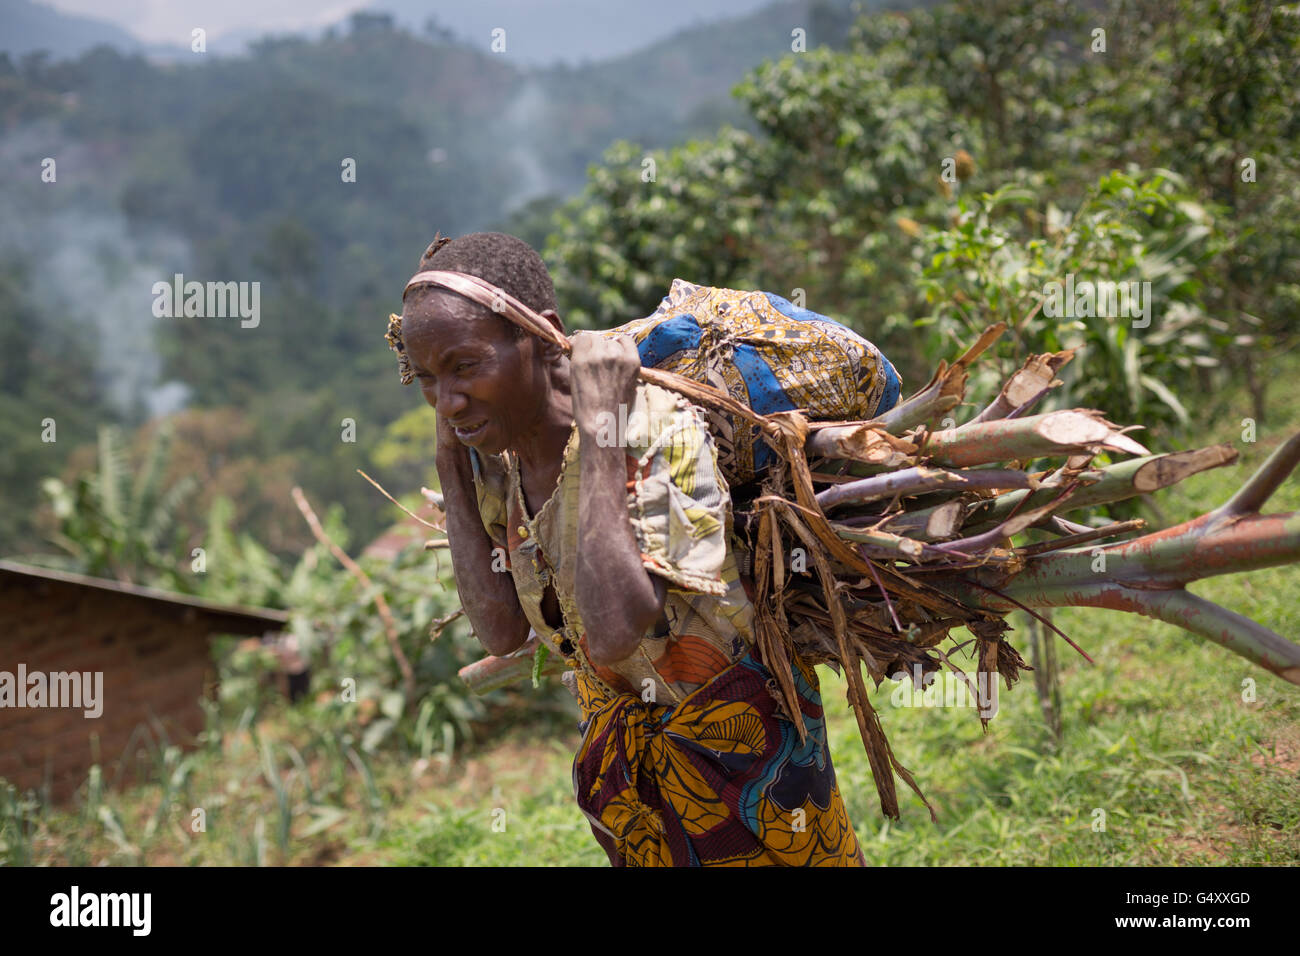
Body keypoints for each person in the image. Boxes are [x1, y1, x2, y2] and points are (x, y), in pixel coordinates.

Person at [391, 231, 868, 865]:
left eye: (465, 367)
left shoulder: (651, 424)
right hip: (627, 765)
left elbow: (616, 629)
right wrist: (450, 464)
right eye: (426, 379)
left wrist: (599, 435)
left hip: (745, 752)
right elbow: (502, 630)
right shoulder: (493, 461)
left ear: (538, 338)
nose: (447, 401)